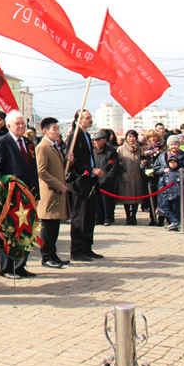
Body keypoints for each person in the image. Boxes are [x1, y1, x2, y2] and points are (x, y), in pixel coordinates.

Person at [0, 110, 39, 279]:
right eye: (17, 124)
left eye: (23, 123)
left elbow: (33, 170)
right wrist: (4, 191)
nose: (21, 126)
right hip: (10, 196)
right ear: (9, 125)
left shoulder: (28, 143)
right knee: (9, 231)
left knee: (25, 231)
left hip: (27, 197)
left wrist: (35, 194)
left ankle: (21, 265)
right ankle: (7, 268)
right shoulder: (2, 142)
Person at [65, 110, 105, 262]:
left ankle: (87, 248)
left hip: (91, 183)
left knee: (89, 216)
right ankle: (77, 250)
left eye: (90, 117)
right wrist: (89, 169)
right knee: (80, 217)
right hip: (79, 181)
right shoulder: (74, 136)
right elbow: (71, 161)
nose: (90, 120)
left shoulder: (87, 136)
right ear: (79, 120)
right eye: (87, 118)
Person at [35, 117, 72, 269]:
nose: (57, 132)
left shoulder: (54, 146)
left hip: (56, 193)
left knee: (54, 226)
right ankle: (47, 256)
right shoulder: (42, 147)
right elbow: (41, 171)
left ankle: (53, 254)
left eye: (57, 129)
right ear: (45, 131)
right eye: (54, 129)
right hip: (49, 193)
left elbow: (56, 168)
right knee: (48, 228)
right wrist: (58, 185)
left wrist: (66, 159)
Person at [151, 134, 184, 223]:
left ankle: (177, 222)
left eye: (175, 144)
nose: (173, 146)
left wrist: (183, 171)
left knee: (178, 206)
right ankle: (170, 222)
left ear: (179, 145)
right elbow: (156, 168)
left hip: (179, 186)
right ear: (168, 145)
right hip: (166, 186)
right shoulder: (162, 156)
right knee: (167, 206)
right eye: (171, 144)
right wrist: (163, 170)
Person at [92, 131, 121, 227]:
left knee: (107, 201)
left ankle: (108, 217)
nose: (96, 142)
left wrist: (108, 177)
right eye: (94, 140)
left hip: (108, 180)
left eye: (98, 140)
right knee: (97, 200)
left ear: (104, 140)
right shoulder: (93, 150)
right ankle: (99, 217)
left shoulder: (110, 150)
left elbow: (115, 165)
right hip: (96, 180)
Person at [117, 130, 145, 225]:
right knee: (126, 197)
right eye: (130, 137)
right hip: (125, 176)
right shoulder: (121, 149)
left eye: (133, 137)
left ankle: (134, 216)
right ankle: (128, 216)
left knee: (136, 197)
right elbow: (118, 162)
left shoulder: (140, 149)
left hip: (137, 176)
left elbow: (144, 160)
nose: (131, 139)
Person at [142, 128, 166, 225]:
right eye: (150, 137)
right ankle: (153, 218)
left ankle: (161, 218)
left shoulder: (163, 148)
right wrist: (143, 165)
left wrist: (155, 170)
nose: (152, 139)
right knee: (151, 199)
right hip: (149, 176)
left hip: (160, 176)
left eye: (154, 136)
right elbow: (142, 162)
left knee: (162, 198)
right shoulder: (145, 148)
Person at [157, 155, 184, 231]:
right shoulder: (166, 173)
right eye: (171, 162)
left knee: (176, 209)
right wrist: (163, 192)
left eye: (174, 162)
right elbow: (162, 184)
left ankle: (175, 223)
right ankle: (174, 221)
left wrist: (180, 192)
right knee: (165, 208)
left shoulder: (180, 172)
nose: (173, 164)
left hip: (176, 195)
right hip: (167, 194)